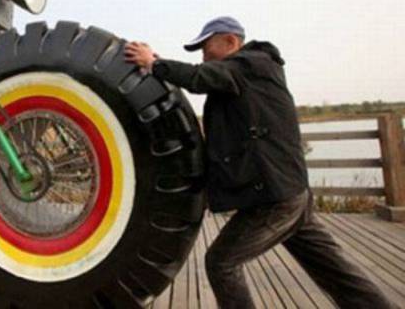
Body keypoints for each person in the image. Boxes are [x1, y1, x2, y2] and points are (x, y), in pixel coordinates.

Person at [124, 17, 396, 308]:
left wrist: (154, 63)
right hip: (289, 193)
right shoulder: (247, 72)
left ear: (230, 41)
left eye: (205, 46)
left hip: (275, 199)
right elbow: (206, 77)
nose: (203, 54)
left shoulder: (249, 65)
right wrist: (159, 63)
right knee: (332, 268)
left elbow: (198, 78)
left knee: (220, 263)